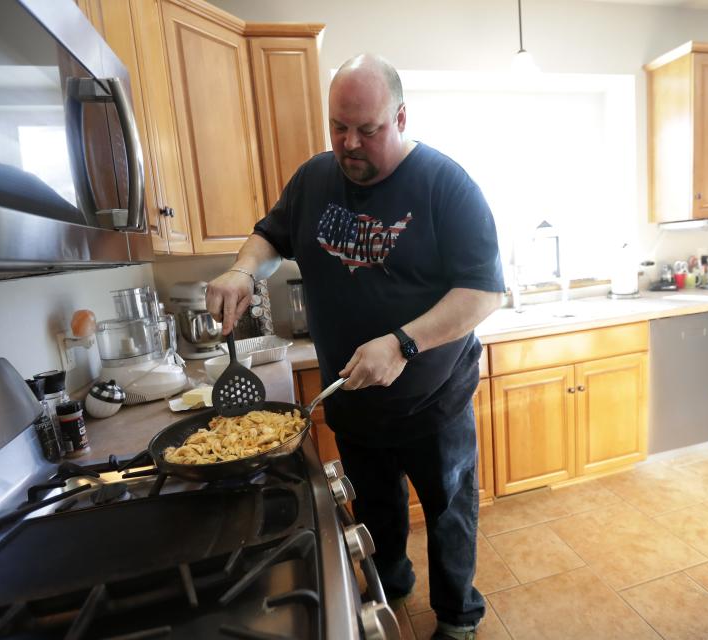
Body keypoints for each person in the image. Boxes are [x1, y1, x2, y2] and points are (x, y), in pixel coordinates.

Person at [206, 53, 504, 640]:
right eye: (338, 127)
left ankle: (456, 617)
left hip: (432, 398)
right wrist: (244, 271)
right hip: (351, 397)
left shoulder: (446, 184)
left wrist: (401, 344)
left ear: (399, 117)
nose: (349, 144)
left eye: (366, 130)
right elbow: (270, 235)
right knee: (376, 509)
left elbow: (484, 293)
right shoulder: (314, 178)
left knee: (448, 513)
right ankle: (391, 585)